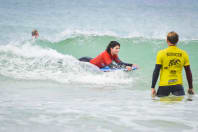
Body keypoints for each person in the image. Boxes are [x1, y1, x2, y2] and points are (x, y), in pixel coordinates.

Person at [151, 31, 194, 97]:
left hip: (164, 86)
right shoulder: (184, 54)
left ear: (167, 40)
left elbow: (156, 71)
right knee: (179, 107)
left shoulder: (161, 53)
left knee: (161, 107)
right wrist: (190, 87)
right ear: (177, 41)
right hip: (178, 87)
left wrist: (153, 87)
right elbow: (188, 72)